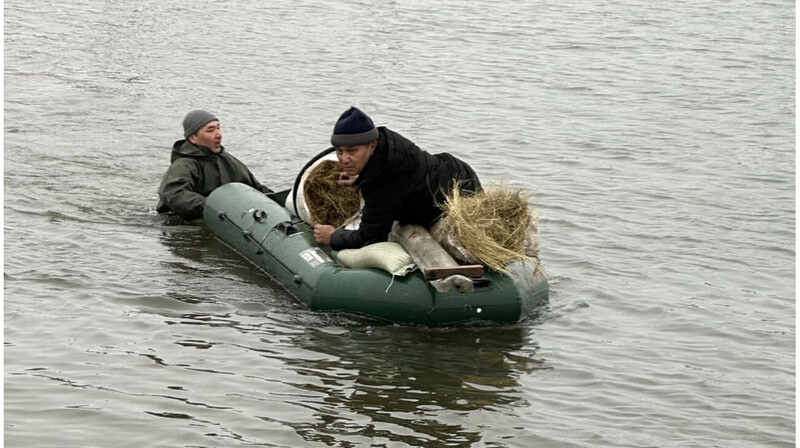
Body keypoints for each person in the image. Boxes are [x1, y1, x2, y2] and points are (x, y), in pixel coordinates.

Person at [313, 106, 481, 250]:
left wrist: (333, 236)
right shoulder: (388, 143)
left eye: (352, 151)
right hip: (450, 169)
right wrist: (361, 179)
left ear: (372, 146)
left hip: (458, 193)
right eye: (339, 151)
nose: (344, 159)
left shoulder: (385, 182)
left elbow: (370, 238)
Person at [156, 109, 272, 220]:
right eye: (210, 130)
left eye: (218, 128)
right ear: (193, 138)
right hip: (185, 220)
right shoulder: (184, 164)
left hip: (223, 215)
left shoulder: (228, 160)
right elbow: (174, 194)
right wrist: (214, 206)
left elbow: (256, 189)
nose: (219, 134)